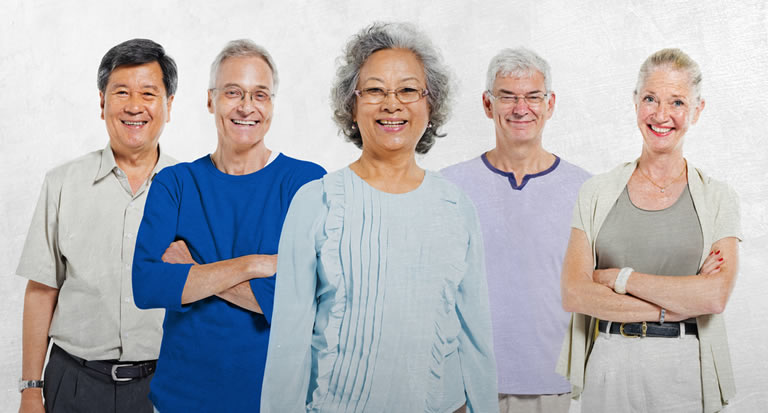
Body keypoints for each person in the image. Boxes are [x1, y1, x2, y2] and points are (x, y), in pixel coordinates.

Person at [261, 22, 497, 413]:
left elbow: (476, 335)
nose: (392, 103)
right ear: (351, 106)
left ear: (430, 104)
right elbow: (289, 340)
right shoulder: (315, 201)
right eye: (374, 90)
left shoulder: (457, 206)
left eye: (408, 90)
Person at [131, 39, 325, 412]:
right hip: (180, 400)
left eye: (260, 95)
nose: (247, 107)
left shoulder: (305, 183)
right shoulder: (176, 183)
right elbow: (147, 285)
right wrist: (256, 265)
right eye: (233, 92)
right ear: (210, 100)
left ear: (271, 104)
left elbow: (301, 304)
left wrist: (193, 273)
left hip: (274, 400)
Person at [557, 48, 741, 413]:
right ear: (635, 101)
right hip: (609, 363)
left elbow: (714, 297)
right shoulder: (595, 192)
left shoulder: (719, 198)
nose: (661, 115)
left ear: (697, 110)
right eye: (650, 99)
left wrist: (618, 278)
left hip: (685, 368)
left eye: (677, 102)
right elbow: (575, 293)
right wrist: (674, 305)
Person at [15, 38, 177, 413]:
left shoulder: (191, 187)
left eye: (148, 93)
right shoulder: (62, 183)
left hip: (165, 383)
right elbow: (41, 290)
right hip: (74, 383)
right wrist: (29, 390)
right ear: (102, 102)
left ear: (169, 106)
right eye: (121, 92)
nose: (134, 106)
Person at [441, 48, 589, 413]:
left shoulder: (586, 190)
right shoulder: (449, 187)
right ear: (487, 104)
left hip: (549, 381)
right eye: (507, 96)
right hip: (464, 382)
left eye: (532, 96)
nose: (520, 108)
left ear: (550, 103)